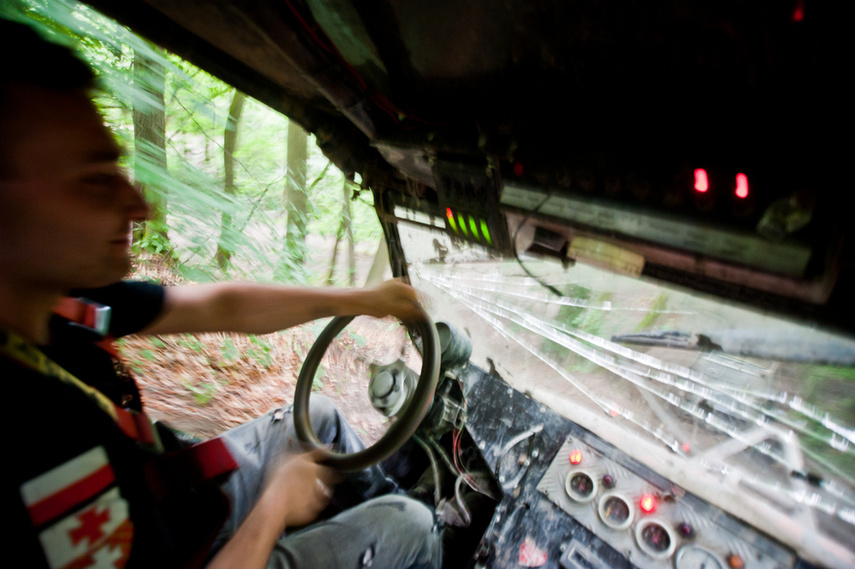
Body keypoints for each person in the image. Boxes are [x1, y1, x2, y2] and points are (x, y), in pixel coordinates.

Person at [0, 18, 442, 569]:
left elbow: (215, 305)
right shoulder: (39, 446)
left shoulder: (63, 306)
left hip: (177, 502)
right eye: (95, 179)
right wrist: (278, 501)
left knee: (322, 419)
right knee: (413, 527)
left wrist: (357, 299)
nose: (141, 207)